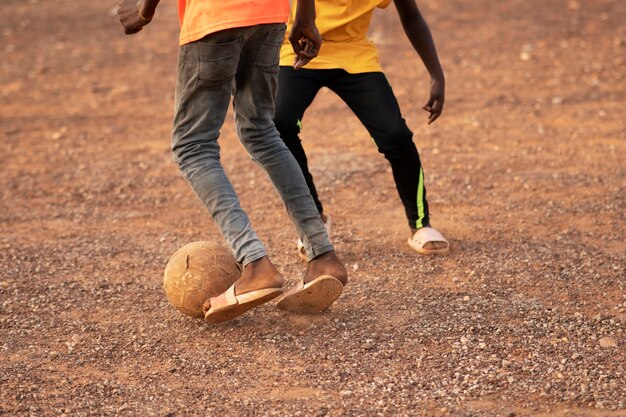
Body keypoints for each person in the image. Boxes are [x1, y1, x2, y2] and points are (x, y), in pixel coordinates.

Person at [117, 0, 348, 323]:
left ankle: (255, 263)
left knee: (192, 145)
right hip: (270, 15)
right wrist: (305, 18)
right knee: (262, 132)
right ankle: (323, 256)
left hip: (216, 15)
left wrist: (145, 9)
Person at [274, 0, 450, 257]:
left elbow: (411, 16)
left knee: (395, 135)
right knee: (279, 124)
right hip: (297, 49)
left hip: (353, 54)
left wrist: (436, 74)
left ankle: (420, 224)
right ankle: (313, 221)